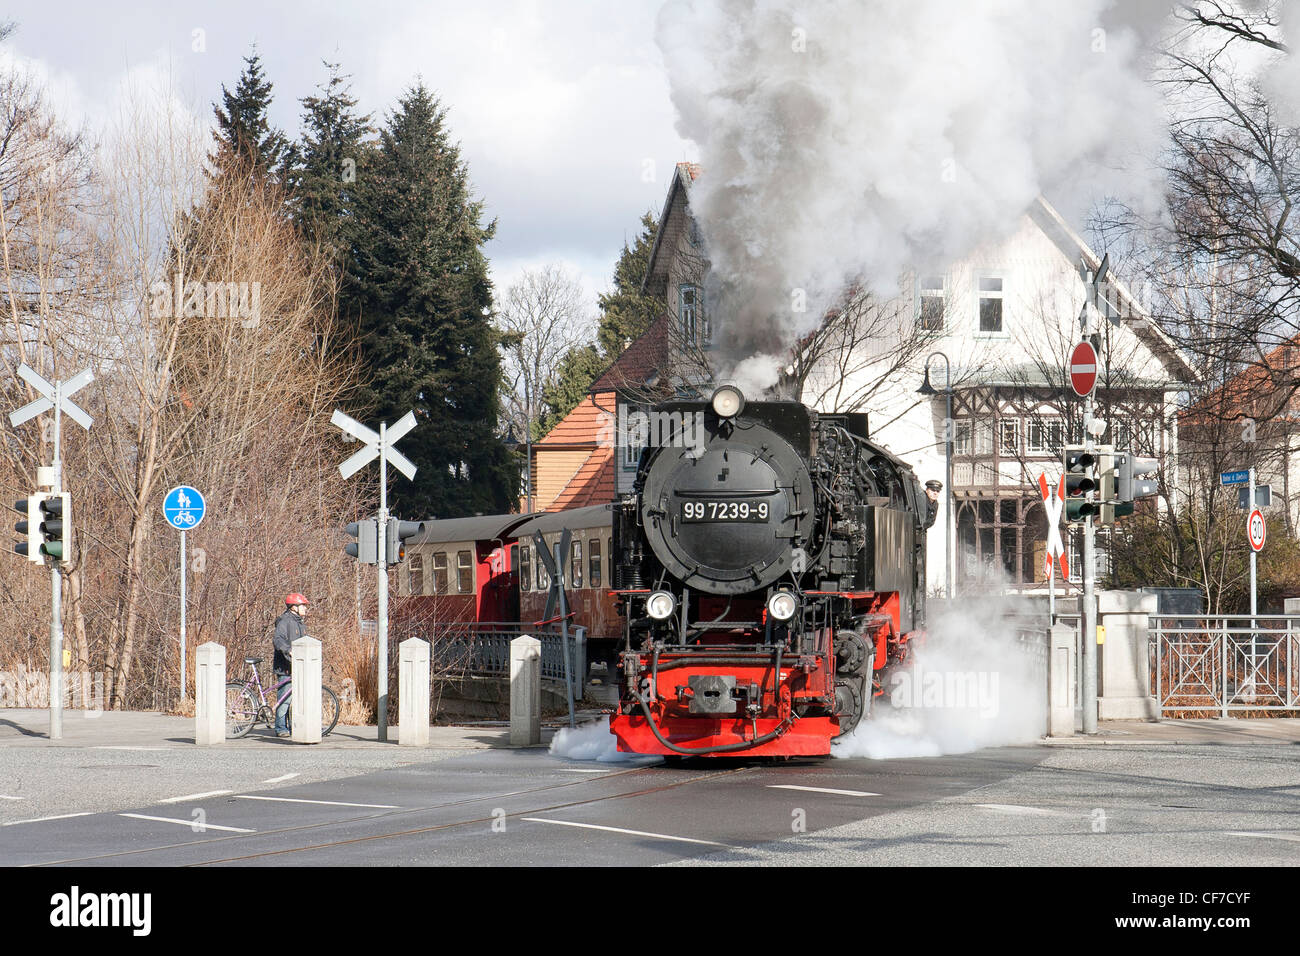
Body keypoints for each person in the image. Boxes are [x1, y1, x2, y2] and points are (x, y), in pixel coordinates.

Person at [273, 593, 310, 737]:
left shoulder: (299, 622)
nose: (306, 609)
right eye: (303, 606)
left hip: (297, 667)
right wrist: (289, 651)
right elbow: (278, 640)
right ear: (294, 607)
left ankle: (297, 726)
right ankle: (281, 727)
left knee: (298, 698)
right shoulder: (285, 621)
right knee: (285, 698)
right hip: (285, 666)